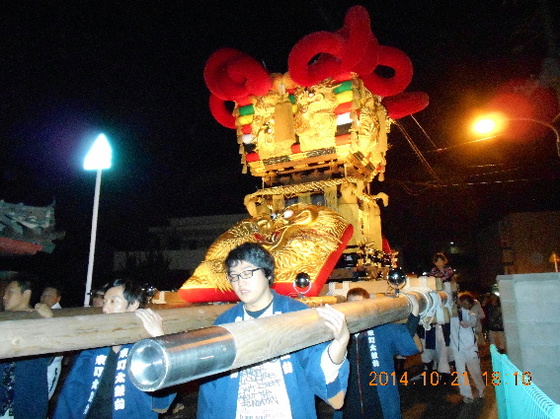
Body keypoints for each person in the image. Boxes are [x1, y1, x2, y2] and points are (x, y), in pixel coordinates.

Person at [197, 242, 350, 419]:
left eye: (247, 273)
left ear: (267, 274)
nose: (240, 282)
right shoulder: (225, 322)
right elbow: (210, 390)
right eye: (234, 276)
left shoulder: (295, 313)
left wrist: (340, 341)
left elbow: (317, 364)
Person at [53, 278, 175, 418]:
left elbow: (166, 393)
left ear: (133, 305)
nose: (105, 308)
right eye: (105, 301)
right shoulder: (95, 345)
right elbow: (73, 392)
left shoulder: (145, 347)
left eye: (113, 301)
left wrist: (160, 339)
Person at [336, 287, 420, 419]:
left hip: (378, 401)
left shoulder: (381, 329)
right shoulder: (339, 334)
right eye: (351, 305)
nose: (356, 310)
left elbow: (406, 336)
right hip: (349, 402)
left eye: (361, 305)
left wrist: (414, 310)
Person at [1, 272, 53, 419]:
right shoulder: (3, 320)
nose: (4, 297)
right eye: (4, 292)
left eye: (10, 292)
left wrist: (48, 321)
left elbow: (48, 355)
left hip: (26, 403)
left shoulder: (37, 320)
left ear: (26, 293)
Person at [449, 292, 486, 403]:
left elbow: (473, 322)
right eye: (463, 302)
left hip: (470, 349)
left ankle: (481, 389)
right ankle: (467, 394)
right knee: (461, 373)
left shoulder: (471, 314)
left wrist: (468, 323)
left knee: (475, 371)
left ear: (470, 304)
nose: (465, 304)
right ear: (459, 302)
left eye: (467, 303)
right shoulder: (452, 315)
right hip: (456, 349)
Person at [40, 284, 65, 400]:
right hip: (39, 365)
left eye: (49, 295)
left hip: (51, 364)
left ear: (58, 298)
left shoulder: (60, 314)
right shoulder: (38, 312)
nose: (45, 298)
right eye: (43, 294)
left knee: (43, 398)